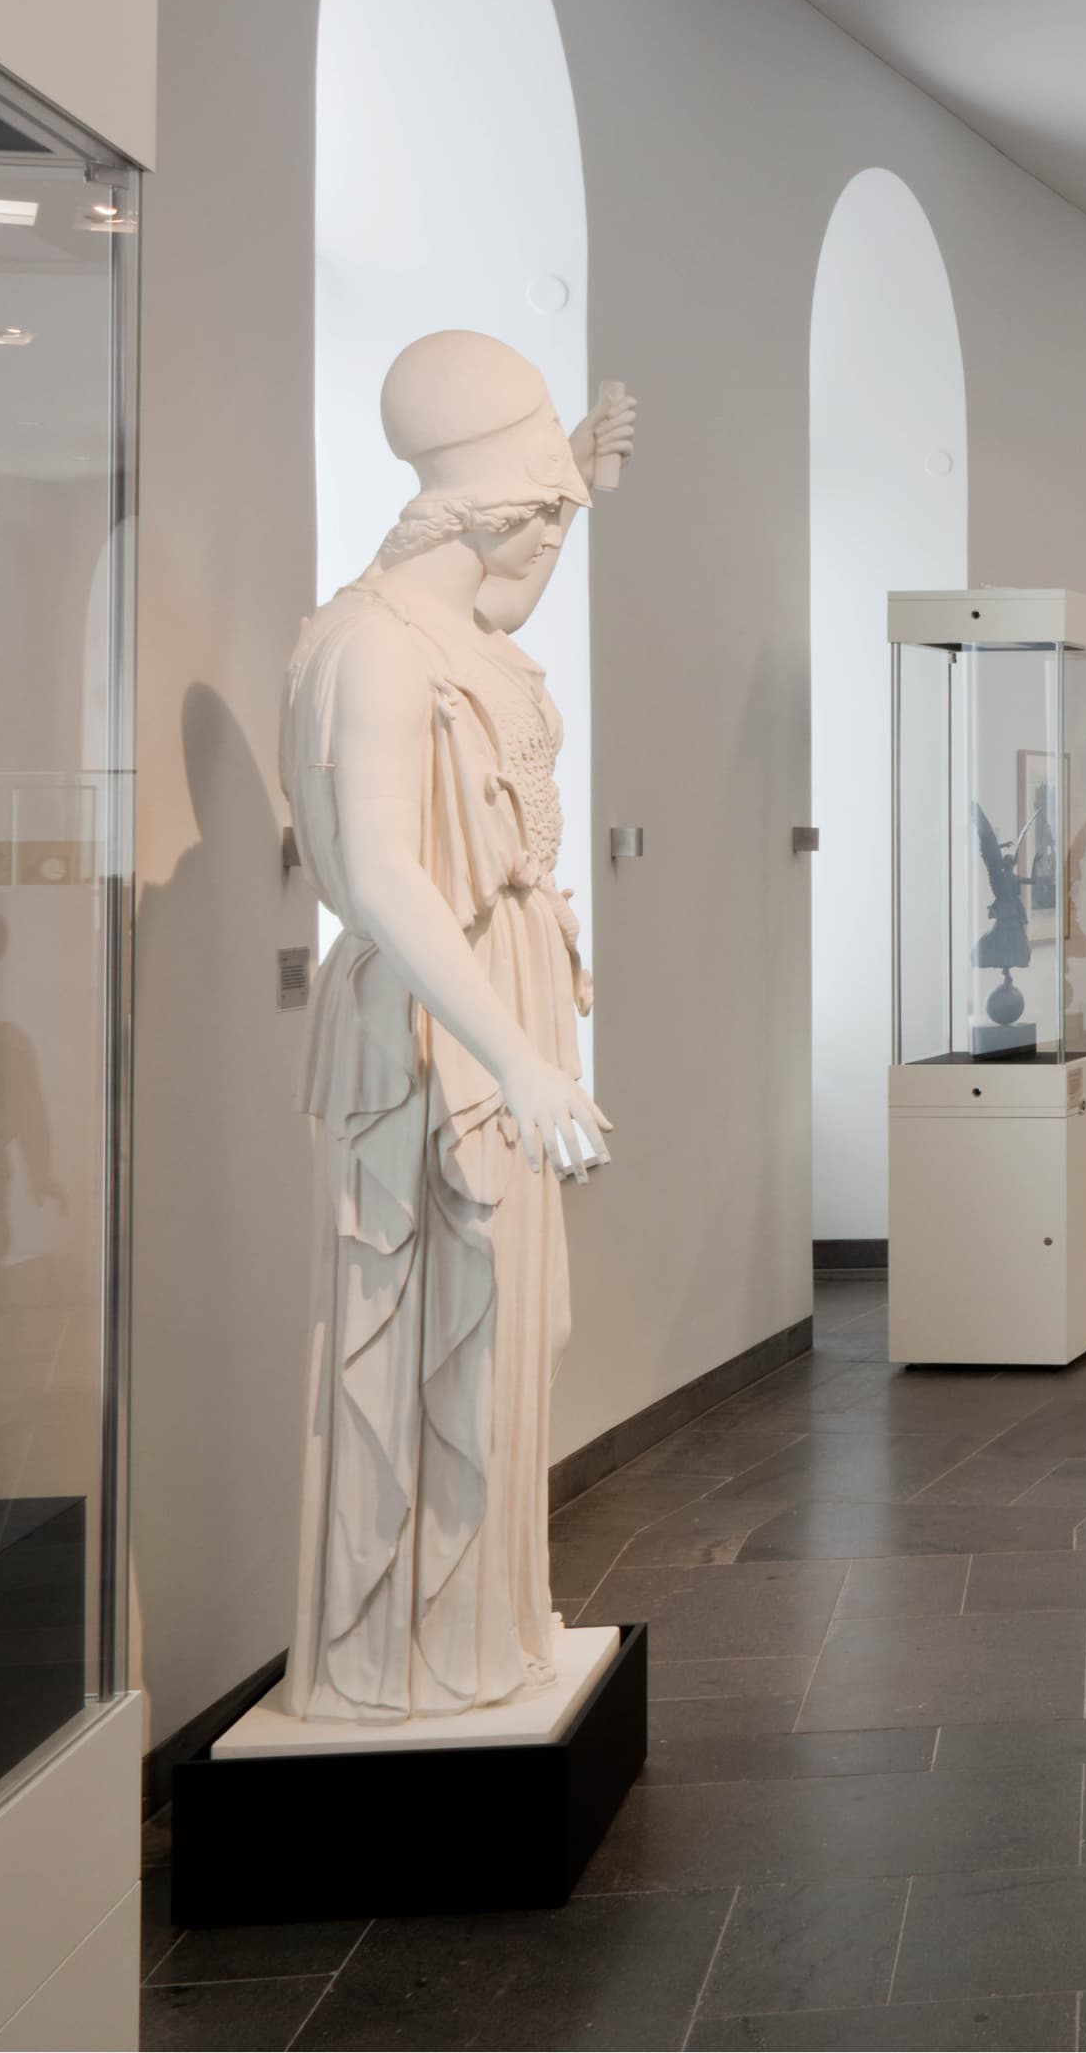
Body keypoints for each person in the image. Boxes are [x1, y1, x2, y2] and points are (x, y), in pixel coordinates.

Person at [279, 330, 631, 1721]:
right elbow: (379, 877)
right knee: (435, 1334)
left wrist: (581, 479)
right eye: (551, 520)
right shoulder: (373, 648)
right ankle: (401, 1653)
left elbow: (521, 592)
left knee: (508, 1339)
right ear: (499, 516)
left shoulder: (454, 630)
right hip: (440, 1033)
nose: (556, 551)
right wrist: (516, 1053)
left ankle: (482, 1627)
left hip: (498, 1014)